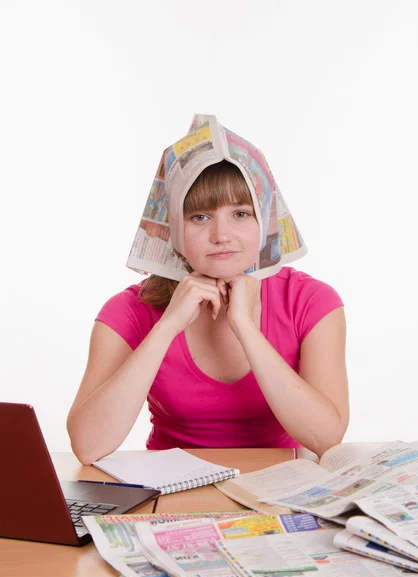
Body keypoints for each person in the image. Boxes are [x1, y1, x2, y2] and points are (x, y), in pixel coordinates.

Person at [67, 161, 349, 465]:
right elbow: (88, 446)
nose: (221, 235)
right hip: (172, 489)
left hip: (277, 486)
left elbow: (327, 438)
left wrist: (244, 325)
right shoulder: (130, 309)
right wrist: (168, 326)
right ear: (174, 227)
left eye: (241, 213)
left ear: (265, 223)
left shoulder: (309, 300)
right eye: (200, 217)